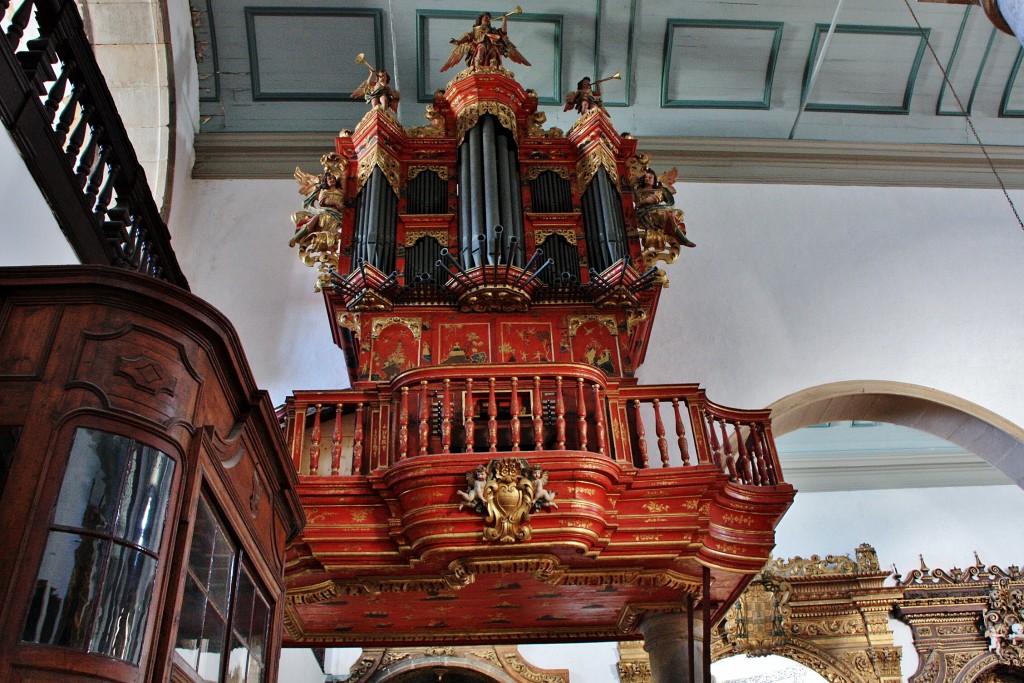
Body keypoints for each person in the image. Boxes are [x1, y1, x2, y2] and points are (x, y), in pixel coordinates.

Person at [440, 11, 531, 71]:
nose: (488, 20)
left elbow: (503, 32)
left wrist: (504, 20)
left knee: (494, 51)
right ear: (481, 20)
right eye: (485, 18)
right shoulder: (476, 30)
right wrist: (459, 42)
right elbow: (468, 37)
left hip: (492, 46)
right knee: (481, 47)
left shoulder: (493, 31)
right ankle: (477, 67)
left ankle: (493, 69)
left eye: (488, 19)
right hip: (480, 46)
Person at [633, 167, 696, 249]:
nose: (647, 179)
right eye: (645, 177)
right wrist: (645, 202)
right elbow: (636, 203)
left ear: (654, 179)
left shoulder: (660, 190)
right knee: (666, 215)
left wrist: (656, 203)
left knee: (671, 215)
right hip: (643, 213)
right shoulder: (638, 191)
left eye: (650, 177)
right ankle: (682, 239)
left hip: (657, 210)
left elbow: (671, 204)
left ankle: (680, 238)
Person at [290, 169, 345, 247]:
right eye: (329, 179)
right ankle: (296, 237)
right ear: (326, 181)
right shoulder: (324, 191)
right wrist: (336, 203)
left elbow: (343, 180)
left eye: (333, 178)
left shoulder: (340, 192)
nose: (332, 180)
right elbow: (323, 201)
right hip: (326, 211)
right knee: (316, 218)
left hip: (337, 214)